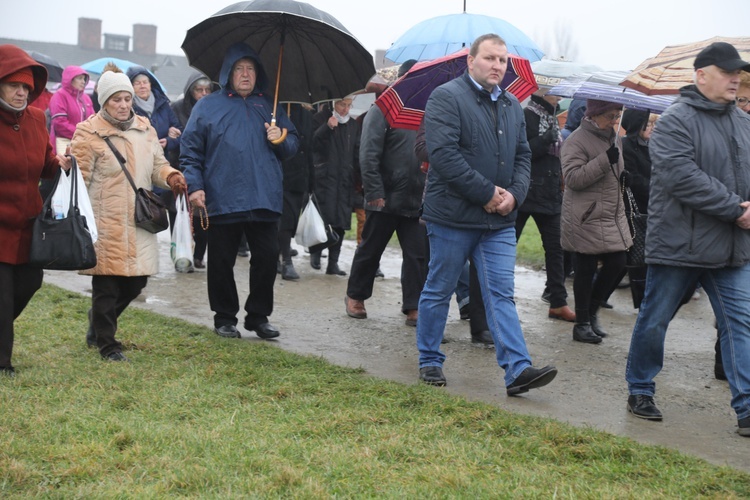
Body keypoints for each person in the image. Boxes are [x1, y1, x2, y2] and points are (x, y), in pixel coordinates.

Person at [417, 33, 557, 392]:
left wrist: (514, 195)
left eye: (502, 60)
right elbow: (444, 156)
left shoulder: (512, 105)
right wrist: (485, 193)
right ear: (471, 61)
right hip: (452, 217)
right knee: (440, 287)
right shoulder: (446, 98)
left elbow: (523, 157)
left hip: (499, 221)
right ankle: (430, 359)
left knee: (500, 294)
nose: (497, 66)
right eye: (490, 58)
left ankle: (517, 370)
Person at [624, 42, 750, 437]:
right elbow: (683, 178)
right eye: (728, 72)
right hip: (681, 245)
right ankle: (640, 388)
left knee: (740, 323)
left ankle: (746, 408)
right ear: (701, 76)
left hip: (729, 246)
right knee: (655, 319)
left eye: (738, 73)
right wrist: (737, 209)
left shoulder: (743, 122)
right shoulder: (674, 120)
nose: (735, 79)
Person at [180, 42, 298, 340]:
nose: (246, 75)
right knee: (221, 260)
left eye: (251, 69)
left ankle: (258, 316)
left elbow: (293, 146)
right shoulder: (208, 106)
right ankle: (224, 317)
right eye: (239, 69)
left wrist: (279, 138)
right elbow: (190, 150)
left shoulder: (270, 107)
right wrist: (195, 186)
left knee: (267, 259)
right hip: (223, 196)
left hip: (264, 196)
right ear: (228, 73)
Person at [69, 66, 185, 361]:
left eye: (126, 99)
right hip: (104, 222)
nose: (123, 105)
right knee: (106, 285)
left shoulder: (145, 129)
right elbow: (78, 180)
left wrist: (171, 176)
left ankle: (97, 323)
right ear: (104, 102)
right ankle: (107, 344)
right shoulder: (88, 132)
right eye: (115, 100)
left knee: (136, 282)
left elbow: (157, 165)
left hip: (138, 220)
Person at [0, 45, 71, 376]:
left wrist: (62, 163)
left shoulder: (34, 120)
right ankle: (3, 364)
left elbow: (45, 164)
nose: (21, 92)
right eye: (14, 85)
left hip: (27, 227)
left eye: (26, 87)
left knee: (30, 282)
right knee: (2, 297)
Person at [344, 59, 426, 327]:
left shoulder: (428, 112)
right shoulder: (383, 109)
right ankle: (355, 296)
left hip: (417, 197)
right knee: (371, 249)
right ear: (402, 80)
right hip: (385, 196)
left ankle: (413, 306)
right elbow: (368, 154)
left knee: (417, 255)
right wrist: (374, 191)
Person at [560, 99, 631, 344]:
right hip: (585, 215)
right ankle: (581, 324)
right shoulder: (576, 140)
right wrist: (604, 162)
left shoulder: (612, 137)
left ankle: (591, 313)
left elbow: (613, 169)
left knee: (619, 262)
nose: (614, 121)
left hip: (610, 214)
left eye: (617, 115)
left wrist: (622, 174)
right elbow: (573, 178)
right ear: (595, 114)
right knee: (585, 267)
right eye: (610, 115)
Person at [516, 89, 575, 323]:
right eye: (554, 92)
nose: (559, 96)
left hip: (549, 193)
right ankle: (497, 298)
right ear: (539, 91)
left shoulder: (552, 118)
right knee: (506, 245)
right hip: (525, 191)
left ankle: (558, 302)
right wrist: (544, 140)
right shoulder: (525, 115)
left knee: (556, 248)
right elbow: (521, 151)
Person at [126, 66, 184, 250]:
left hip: (161, 164)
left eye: (145, 82)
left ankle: (168, 247)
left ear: (151, 84)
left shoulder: (163, 104)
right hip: (138, 164)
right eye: (137, 83)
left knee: (160, 209)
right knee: (141, 206)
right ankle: (140, 245)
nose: (142, 86)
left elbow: (179, 133)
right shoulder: (128, 107)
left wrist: (168, 141)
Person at [171, 71, 217, 270]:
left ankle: (198, 255)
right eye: (199, 90)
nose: (204, 93)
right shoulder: (177, 108)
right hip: (180, 167)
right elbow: (170, 130)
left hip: (206, 168)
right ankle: (182, 253)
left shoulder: (215, 109)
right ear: (191, 91)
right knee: (179, 212)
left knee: (202, 215)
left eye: (207, 90)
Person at [311, 97, 360, 276]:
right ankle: (315, 253)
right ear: (334, 104)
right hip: (324, 179)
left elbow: (357, 151)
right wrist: (327, 127)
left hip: (345, 180)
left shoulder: (353, 125)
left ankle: (333, 262)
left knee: (340, 221)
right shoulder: (320, 119)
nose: (345, 109)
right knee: (323, 218)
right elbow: (313, 144)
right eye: (342, 105)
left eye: (348, 105)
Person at [278, 103, 314, 280]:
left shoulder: (306, 115)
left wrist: (311, 181)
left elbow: (309, 148)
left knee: (292, 218)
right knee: (283, 219)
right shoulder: (275, 110)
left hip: (299, 175)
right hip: (280, 173)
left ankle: (280, 254)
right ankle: (286, 261)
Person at [48, 66, 95, 154]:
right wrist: (80, 133)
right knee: (66, 167)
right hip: (64, 142)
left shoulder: (86, 98)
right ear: (70, 79)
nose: (83, 82)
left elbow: (93, 120)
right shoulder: (59, 96)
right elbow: (59, 123)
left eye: (84, 79)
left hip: (84, 143)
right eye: (80, 78)